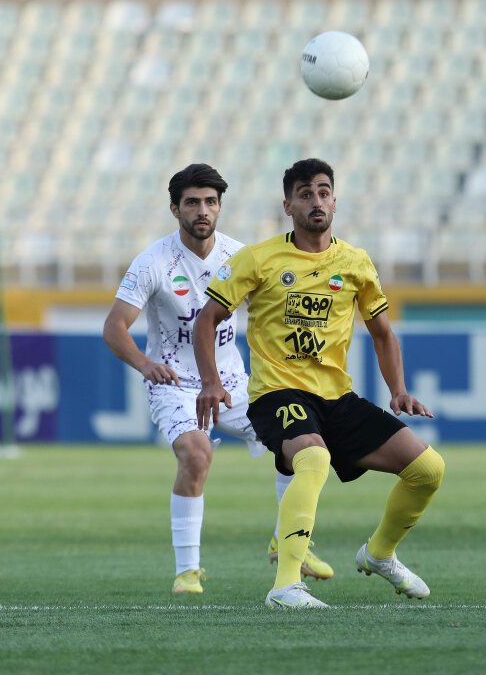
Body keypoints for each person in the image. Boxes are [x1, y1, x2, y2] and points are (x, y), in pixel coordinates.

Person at [194, 158, 445, 609]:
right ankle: (285, 586)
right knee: (313, 457)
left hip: (337, 398)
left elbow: (383, 333)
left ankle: (380, 553)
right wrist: (211, 382)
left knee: (428, 470)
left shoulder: (355, 262)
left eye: (324, 192)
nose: (317, 201)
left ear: (334, 201)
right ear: (288, 205)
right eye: (306, 194)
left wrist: (398, 390)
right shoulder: (258, 258)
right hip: (277, 394)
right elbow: (206, 320)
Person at [103, 163, 333, 595]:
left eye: (210, 202)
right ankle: (187, 571)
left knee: (301, 441)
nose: (203, 211)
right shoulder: (153, 261)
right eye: (192, 203)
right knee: (197, 454)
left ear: (220, 207)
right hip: (174, 383)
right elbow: (114, 327)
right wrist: (147, 365)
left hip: (231, 383)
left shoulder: (240, 256)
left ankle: (287, 543)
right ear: (175, 209)